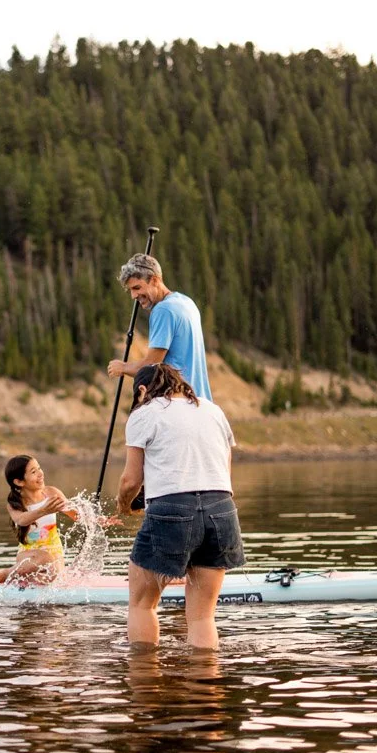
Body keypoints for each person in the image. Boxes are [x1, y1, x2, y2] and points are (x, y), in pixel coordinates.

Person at [115, 364, 243, 650]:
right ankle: (205, 690)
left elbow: (130, 480)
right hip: (221, 508)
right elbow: (224, 470)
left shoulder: (144, 413)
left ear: (143, 390)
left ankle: (146, 686)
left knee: (141, 605)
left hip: (173, 510)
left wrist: (124, 505)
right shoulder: (213, 410)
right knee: (202, 617)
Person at [107, 253, 212, 401]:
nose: (133, 295)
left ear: (155, 280)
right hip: (201, 403)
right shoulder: (187, 302)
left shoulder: (163, 310)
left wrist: (123, 367)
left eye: (137, 287)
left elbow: (152, 366)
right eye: (130, 290)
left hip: (180, 404)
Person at [0, 455, 79, 586]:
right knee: (44, 557)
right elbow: (21, 520)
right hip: (28, 557)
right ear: (19, 482)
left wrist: (98, 520)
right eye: (33, 472)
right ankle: (7, 573)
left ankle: (25, 578)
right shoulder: (15, 503)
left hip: (55, 554)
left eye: (39, 468)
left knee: (53, 576)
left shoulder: (52, 493)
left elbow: (75, 515)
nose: (40, 474)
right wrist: (44, 510)